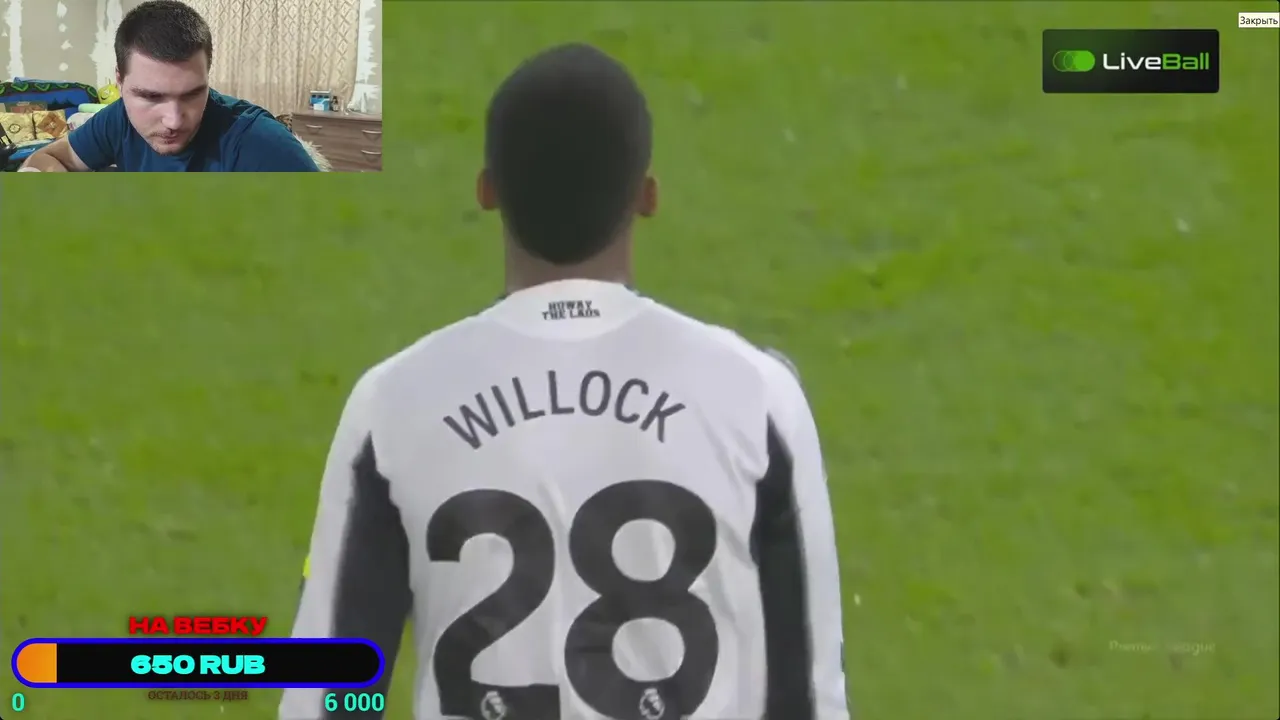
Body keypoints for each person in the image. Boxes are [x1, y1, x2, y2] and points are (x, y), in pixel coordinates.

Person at [280, 43, 850, 720]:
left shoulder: (394, 405)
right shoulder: (757, 399)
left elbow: (329, 696)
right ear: (647, 197)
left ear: (487, 191)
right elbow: (809, 699)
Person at [19, 0, 317, 173]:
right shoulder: (118, 119)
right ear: (120, 82)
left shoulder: (262, 145)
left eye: (192, 94)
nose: (173, 120)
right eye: (151, 96)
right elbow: (45, 157)